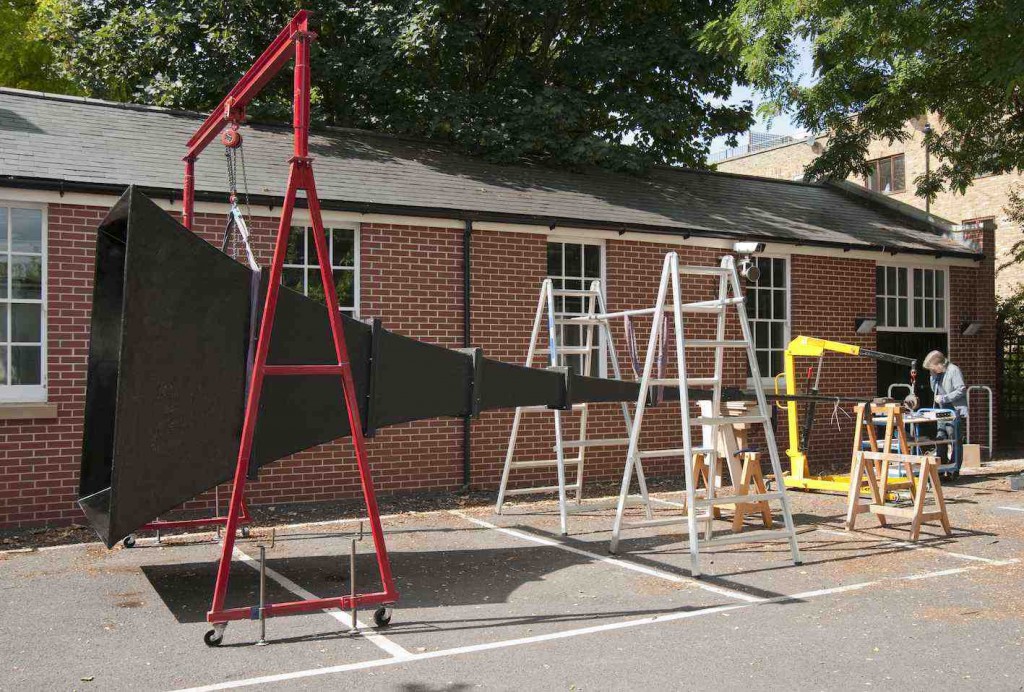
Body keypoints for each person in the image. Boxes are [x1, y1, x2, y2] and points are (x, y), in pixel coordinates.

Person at [923, 350, 966, 468]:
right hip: (942, 411)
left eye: (933, 368)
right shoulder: (937, 374)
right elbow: (934, 390)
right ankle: (942, 465)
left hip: (954, 410)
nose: (933, 370)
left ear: (939, 364)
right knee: (940, 437)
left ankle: (954, 467)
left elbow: (961, 389)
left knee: (954, 438)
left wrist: (944, 398)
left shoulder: (953, 370)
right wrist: (933, 376)